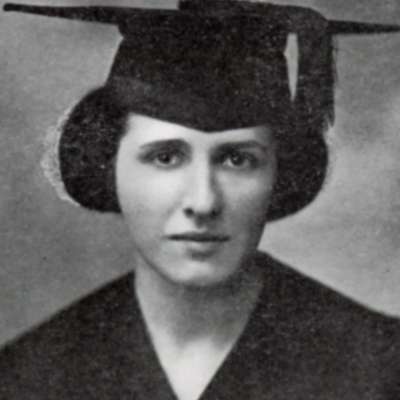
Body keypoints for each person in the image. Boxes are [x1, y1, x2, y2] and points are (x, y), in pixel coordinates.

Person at [1, 1, 400, 399]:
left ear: (281, 172)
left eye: (238, 159)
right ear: (106, 165)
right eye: (165, 157)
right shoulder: (25, 377)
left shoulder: (383, 366)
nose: (204, 201)